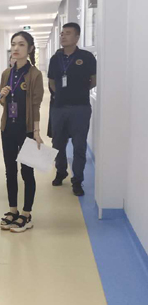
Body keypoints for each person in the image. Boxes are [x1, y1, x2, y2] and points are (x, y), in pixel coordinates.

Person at [0, 31, 44, 233]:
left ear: (30, 48)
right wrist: (2, 95)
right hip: (8, 128)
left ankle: (26, 213)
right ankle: (13, 210)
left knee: (27, 171)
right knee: (10, 170)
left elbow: (36, 105)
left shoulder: (35, 74)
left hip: (26, 130)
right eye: (13, 44)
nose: (16, 48)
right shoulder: (7, 74)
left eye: (21, 44)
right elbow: (3, 103)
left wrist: (36, 131)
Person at [48, 23, 97, 196]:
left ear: (77, 37)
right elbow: (52, 82)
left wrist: (78, 92)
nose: (63, 36)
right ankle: (61, 171)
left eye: (68, 33)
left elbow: (93, 80)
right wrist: (62, 95)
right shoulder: (55, 59)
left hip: (80, 108)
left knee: (79, 146)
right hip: (59, 108)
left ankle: (77, 180)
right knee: (57, 144)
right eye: (62, 33)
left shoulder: (87, 57)